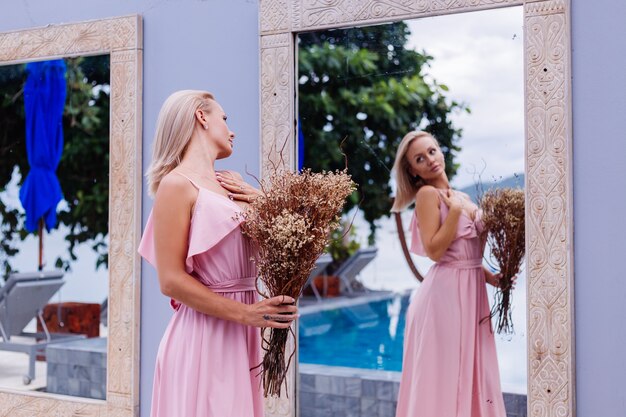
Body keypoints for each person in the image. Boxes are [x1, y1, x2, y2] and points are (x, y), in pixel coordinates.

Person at [138, 90, 297, 417]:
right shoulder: (176, 185)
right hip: (205, 338)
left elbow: (289, 239)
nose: (232, 130)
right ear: (201, 116)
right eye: (225, 119)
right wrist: (247, 314)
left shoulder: (232, 187)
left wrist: (262, 199)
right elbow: (169, 281)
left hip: (243, 337)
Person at [391, 131, 507, 417]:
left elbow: (464, 255)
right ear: (413, 171)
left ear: (440, 152)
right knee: (444, 379)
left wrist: (492, 277)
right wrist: (454, 212)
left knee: (474, 371)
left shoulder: (463, 197)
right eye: (420, 158)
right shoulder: (427, 195)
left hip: (471, 294)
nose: (430, 160)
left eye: (432, 151)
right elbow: (435, 251)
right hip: (444, 299)